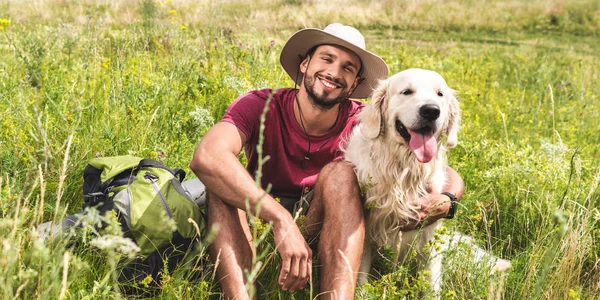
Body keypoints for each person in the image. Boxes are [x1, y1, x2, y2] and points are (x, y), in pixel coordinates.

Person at [190, 23, 464, 299]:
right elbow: (207, 156)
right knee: (219, 181)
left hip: (319, 222)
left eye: (348, 67)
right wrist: (279, 219)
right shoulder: (259, 104)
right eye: (327, 58)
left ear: (355, 83)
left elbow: (441, 169)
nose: (334, 72)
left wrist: (447, 198)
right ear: (305, 63)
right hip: (257, 221)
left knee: (341, 173)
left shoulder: (364, 121)